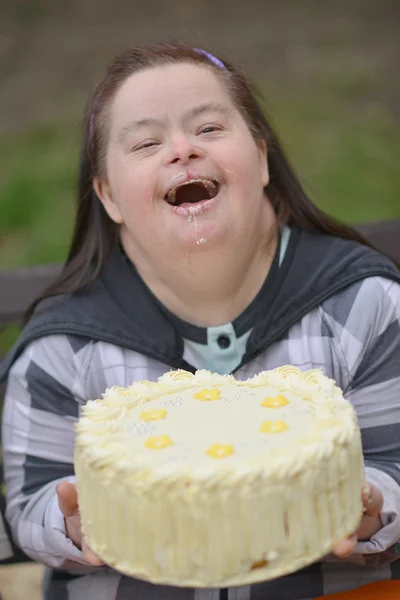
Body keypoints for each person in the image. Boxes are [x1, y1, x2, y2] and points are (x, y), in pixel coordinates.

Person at [1, 41, 400, 600]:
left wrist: (367, 506)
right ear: (109, 195)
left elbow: (395, 464)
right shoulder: (62, 353)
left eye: (209, 128)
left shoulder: (364, 308)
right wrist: (73, 519)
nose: (183, 149)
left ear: (261, 158)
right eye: (146, 142)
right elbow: (30, 503)